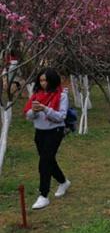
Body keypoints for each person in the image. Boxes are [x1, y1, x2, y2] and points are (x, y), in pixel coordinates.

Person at [23, 68, 71, 210]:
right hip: (40, 132)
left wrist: (45, 109)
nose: (43, 83)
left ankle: (43, 195)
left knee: (44, 162)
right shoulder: (37, 95)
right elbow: (28, 116)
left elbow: (61, 117)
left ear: (52, 80)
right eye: (41, 80)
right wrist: (34, 111)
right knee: (48, 160)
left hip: (55, 131)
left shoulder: (62, 95)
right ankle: (63, 181)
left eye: (46, 80)